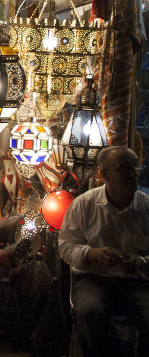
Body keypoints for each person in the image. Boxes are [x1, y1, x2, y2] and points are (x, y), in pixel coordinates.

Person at [59, 146, 149, 357]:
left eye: (136, 167)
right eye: (124, 169)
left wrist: (142, 261)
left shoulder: (146, 207)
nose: (133, 174)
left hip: (137, 283)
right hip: (96, 280)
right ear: (104, 175)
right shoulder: (85, 204)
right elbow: (65, 246)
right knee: (88, 312)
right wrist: (92, 253)